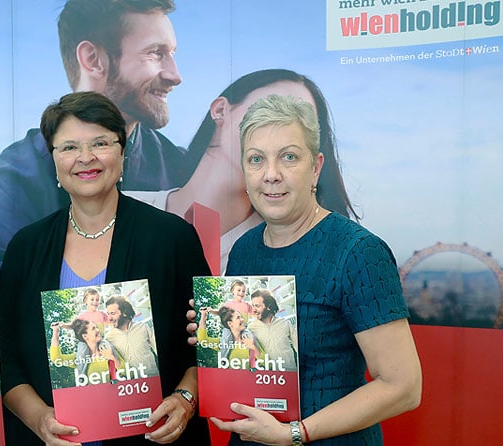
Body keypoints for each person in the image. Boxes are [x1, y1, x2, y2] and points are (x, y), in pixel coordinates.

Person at [188, 94, 421, 445]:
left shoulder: (358, 252)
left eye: (289, 157)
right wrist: (215, 337)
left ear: (315, 167)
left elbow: (403, 387)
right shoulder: (244, 250)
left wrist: (294, 433)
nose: (271, 175)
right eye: (256, 159)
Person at [0, 91, 211, 445]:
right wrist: (39, 419)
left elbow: (206, 343)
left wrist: (185, 400)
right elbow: (4, 355)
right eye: (68, 147)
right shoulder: (26, 247)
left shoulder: (173, 238)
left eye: (100, 143)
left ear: (122, 153)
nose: (85, 158)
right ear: (53, 160)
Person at [0, 0, 198, 298]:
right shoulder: (4, 194)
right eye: (155, 53)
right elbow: (17, 322)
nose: (175, 75)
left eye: (102, 144)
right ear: (92, 58)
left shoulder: (179, 170)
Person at [126, 69, 358, 272]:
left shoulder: (287, 248)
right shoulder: (121, 211)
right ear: (220, 110)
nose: (282, 132)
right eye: (270, 110)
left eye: (300, 122)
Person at [104, 294, 159, 376]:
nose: (109, 318)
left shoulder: (143, 327)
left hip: (153, 378)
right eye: (108, 314)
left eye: (112, 313)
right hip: (130, 384)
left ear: (125, 313)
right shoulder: (109, 338)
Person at [50, 320, 121, 379]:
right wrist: (56, 332)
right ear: (85, 336)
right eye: (93, 328)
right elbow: (56, 358)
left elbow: (124, 371)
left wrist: (111, 357)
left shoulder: (108, 349)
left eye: (96, 327)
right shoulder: (79, 359)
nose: (98, 330)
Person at [248, 289, 297, 371]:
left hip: (290, 373)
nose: (254, 310)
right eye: (253, 306)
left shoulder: (285, 323)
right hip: (268, 376)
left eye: (257, 306)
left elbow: (298, 347)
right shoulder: (251, 328)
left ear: (268, 307)